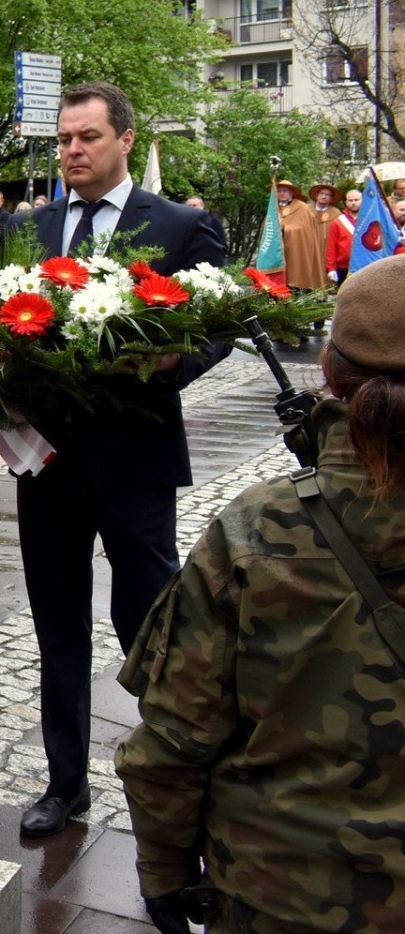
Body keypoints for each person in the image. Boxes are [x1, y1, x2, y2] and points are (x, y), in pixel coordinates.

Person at [116, 254, 405, 934]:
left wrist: (163, 873)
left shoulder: (259, 527)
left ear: (330, 372)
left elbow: (176, 741)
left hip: (284, 894)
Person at [4, 81, 229, 839]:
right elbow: (5, 321)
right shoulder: (27, 230)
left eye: (87, 137)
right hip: (48, 467)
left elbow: (216, 325)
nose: (71, 150)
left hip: (135, 464)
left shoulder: (179, 227)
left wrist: (169, 365)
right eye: (64, 139)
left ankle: (175, 781)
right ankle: (65, 784)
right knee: (57, 626)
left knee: (151, 627)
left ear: (125, 140)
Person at [274, 179, 327, 291]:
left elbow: (303, 230)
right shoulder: (274, 208)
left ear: (291, 193)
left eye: (285, 191)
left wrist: (284, 228)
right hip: (277, 252)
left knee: (295, 281)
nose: (282, 193)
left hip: (296, 250)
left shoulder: (301, 207)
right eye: (279, 191)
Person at [327, 186, 361, 282]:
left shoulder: (370, 221)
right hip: (343, 267)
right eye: (350, 200)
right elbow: (331, 247)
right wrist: (331, 268)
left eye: (356, 200)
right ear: (346, 202)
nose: (353, 202)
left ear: (362, 200)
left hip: (366, 264)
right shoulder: (338, 222)